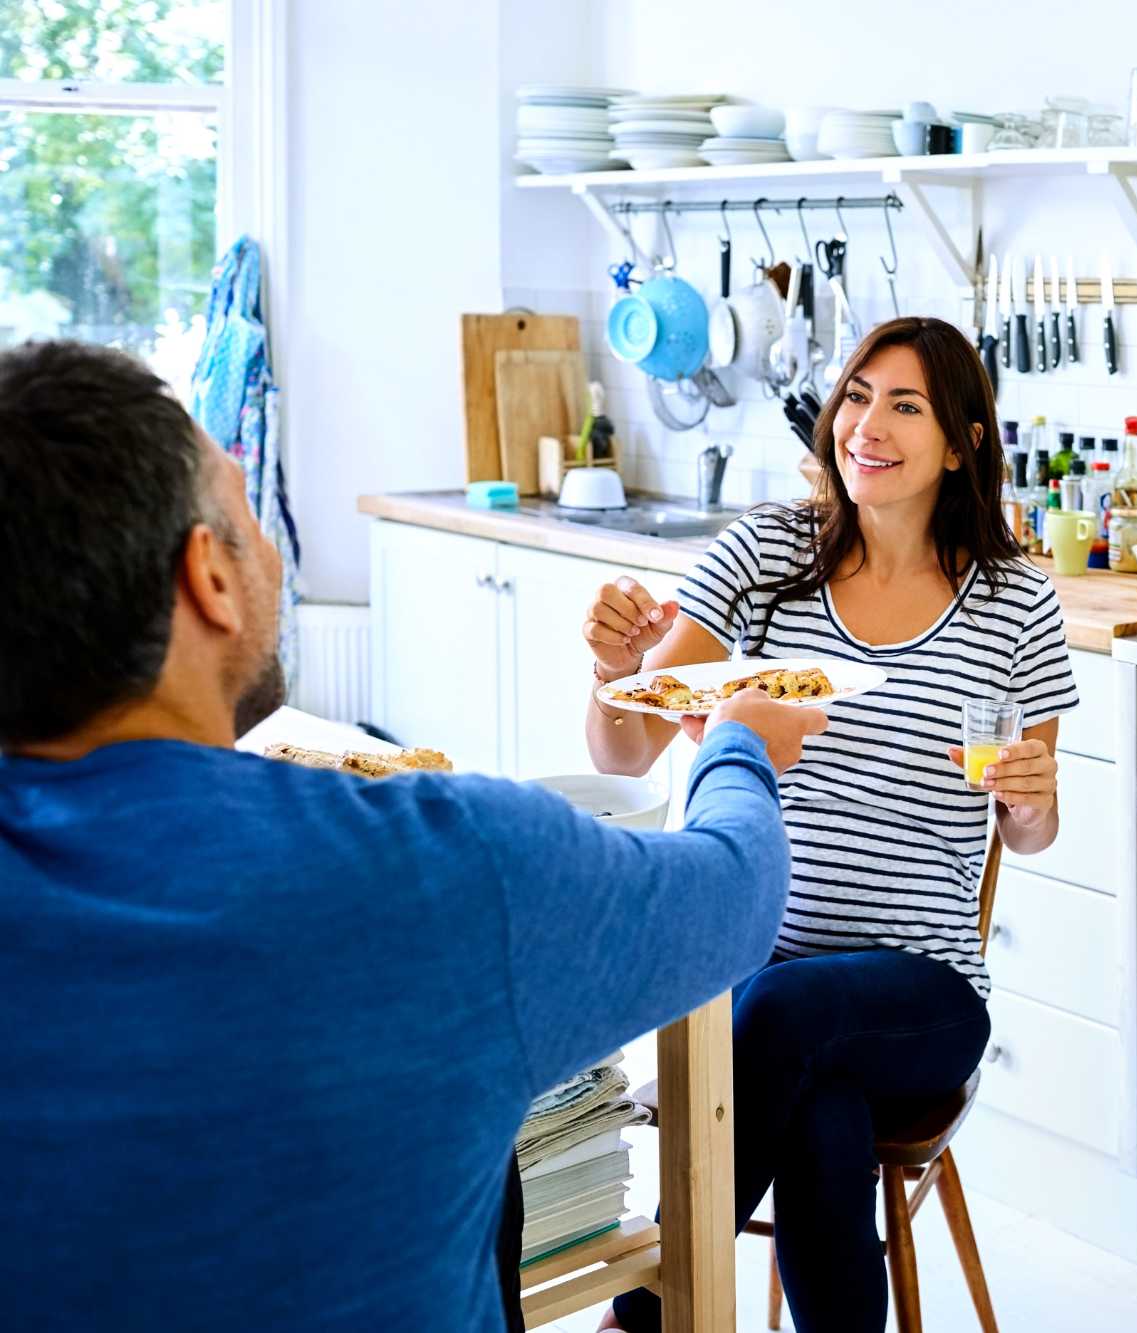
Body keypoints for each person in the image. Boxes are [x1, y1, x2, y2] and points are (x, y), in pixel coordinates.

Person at [0, 339, 826, 1330]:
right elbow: (733, 893)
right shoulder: (447, 864)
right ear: (206, 579)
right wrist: (736, 743)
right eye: (249, 518)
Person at [585, 317, 1078, 1332]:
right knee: (820, 1114)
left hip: (923, 988)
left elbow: (1028, 831)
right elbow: (624, 748)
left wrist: (1030, 801)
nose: (868, 423)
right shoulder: (767, 554)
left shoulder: (1015, 601)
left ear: (964, 441)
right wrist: (610, 676)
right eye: (856, 395)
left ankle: (639, 1319)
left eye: (906, 404)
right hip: (758, 959)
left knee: (781, 1021)